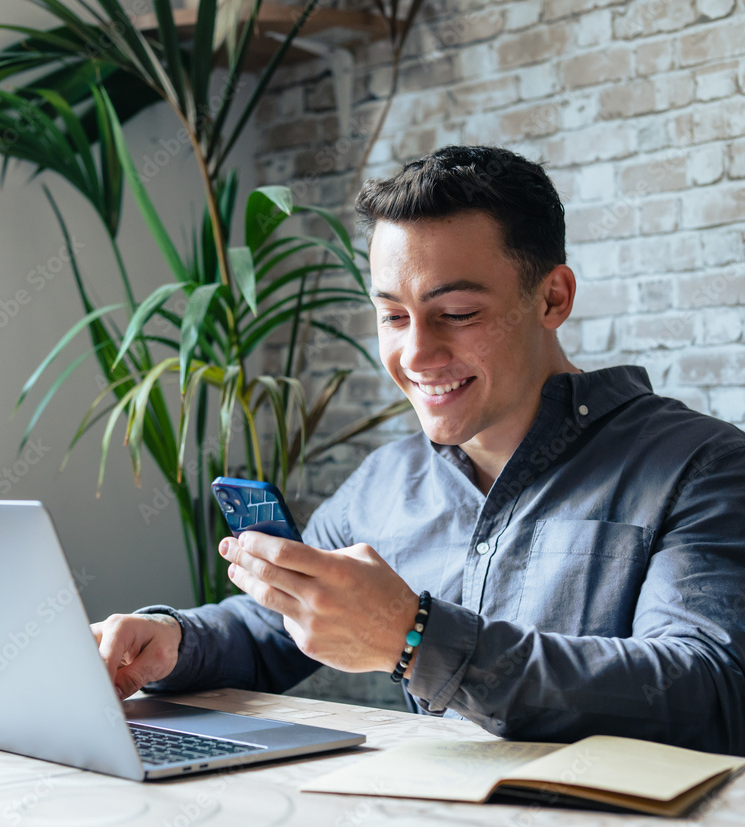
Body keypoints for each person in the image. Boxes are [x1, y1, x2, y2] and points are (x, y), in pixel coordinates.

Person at [93, 145, 745, 756]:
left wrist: (418, 637)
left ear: (553, 297)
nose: (415, 355)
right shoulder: (385, 480)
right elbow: (276, 626)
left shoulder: (703, 466)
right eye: (393, 316)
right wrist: (170, 640)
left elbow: (706, 688)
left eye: (456, 313)